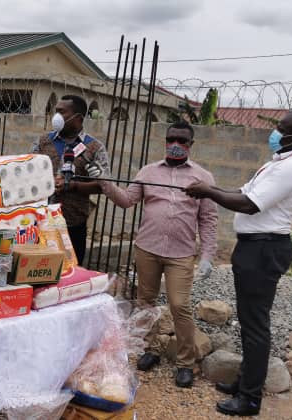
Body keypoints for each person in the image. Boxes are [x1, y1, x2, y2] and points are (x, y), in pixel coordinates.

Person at [185, 112, 292, 416]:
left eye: (281, 129)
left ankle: (250, 398)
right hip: (256, 247)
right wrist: (210, 190)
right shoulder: (279, 163)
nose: (274, 132)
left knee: (255, 324)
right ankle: (245, 382)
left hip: (264, 248)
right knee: (248, 321)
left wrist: (207, 192)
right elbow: (243, 192)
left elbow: (249, 204)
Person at [95, 121, 218, 388]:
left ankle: (185, 363)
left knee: (179, 305)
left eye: (182, 141)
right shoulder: (148, 171)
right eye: (171, 139)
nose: (175, 145)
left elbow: (208, 219)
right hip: (147, 248)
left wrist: (207, 255)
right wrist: (104, 182)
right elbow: (126, 200)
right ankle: (148, 349)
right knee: (145, 301)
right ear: (165, 141)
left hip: (181, 253)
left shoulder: (203, 178)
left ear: (191, 144)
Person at [31, 95, 110, 265]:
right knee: (38, 269)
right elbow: (29, 172)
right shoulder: (43, 141)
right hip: (40, 220)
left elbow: (103, 185)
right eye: (56, 111)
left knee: (71, 271)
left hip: (74, 223)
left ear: (78, 118)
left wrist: (73, 186)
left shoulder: (94, 147)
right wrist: (46, 182)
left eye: (62, 112)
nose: (56, 116)